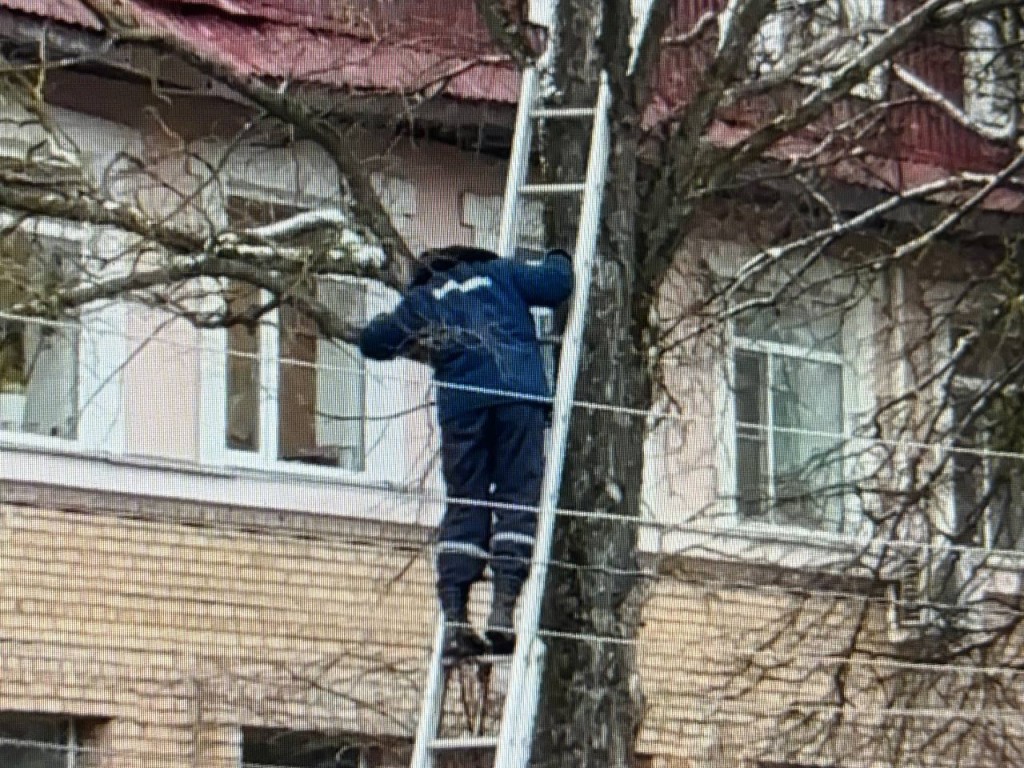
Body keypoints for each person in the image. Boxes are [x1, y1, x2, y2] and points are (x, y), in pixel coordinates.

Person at [359, 245, 574, 658]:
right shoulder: (500, 274)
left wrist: (389, 326)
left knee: (466, 502)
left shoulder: (426, 298)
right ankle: (503, 608)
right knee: (516, 496)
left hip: (462, 409)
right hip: (518, 396)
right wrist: (560, 256)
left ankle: (456, 619)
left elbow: (376, 343)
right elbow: (556, 283)